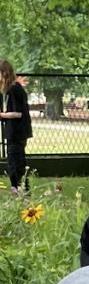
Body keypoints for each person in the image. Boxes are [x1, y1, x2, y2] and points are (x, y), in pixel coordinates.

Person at [0, 60, 33, 195]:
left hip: (18, 132)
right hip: (13, 132)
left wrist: (2, 114)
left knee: (16, 163)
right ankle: (20, 189)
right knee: (15, 162)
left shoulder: (15, 89)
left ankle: (20, 190)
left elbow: (18, 113)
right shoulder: (7, 90)